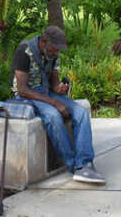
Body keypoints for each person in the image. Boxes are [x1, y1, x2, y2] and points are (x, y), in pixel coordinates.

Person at [11, 25, 106, 184]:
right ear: (44, 42)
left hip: (47, 92)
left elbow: (54, 84)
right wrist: (54, 102)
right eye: (54, 49)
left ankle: (85, 163)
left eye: (58, 50)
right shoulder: (24, 51)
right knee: (53, 116)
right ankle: (74, 166)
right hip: (27, 95)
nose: (56, 53)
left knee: (81, 112)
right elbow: (22, 89)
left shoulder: (53, 54)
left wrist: (60, 89)